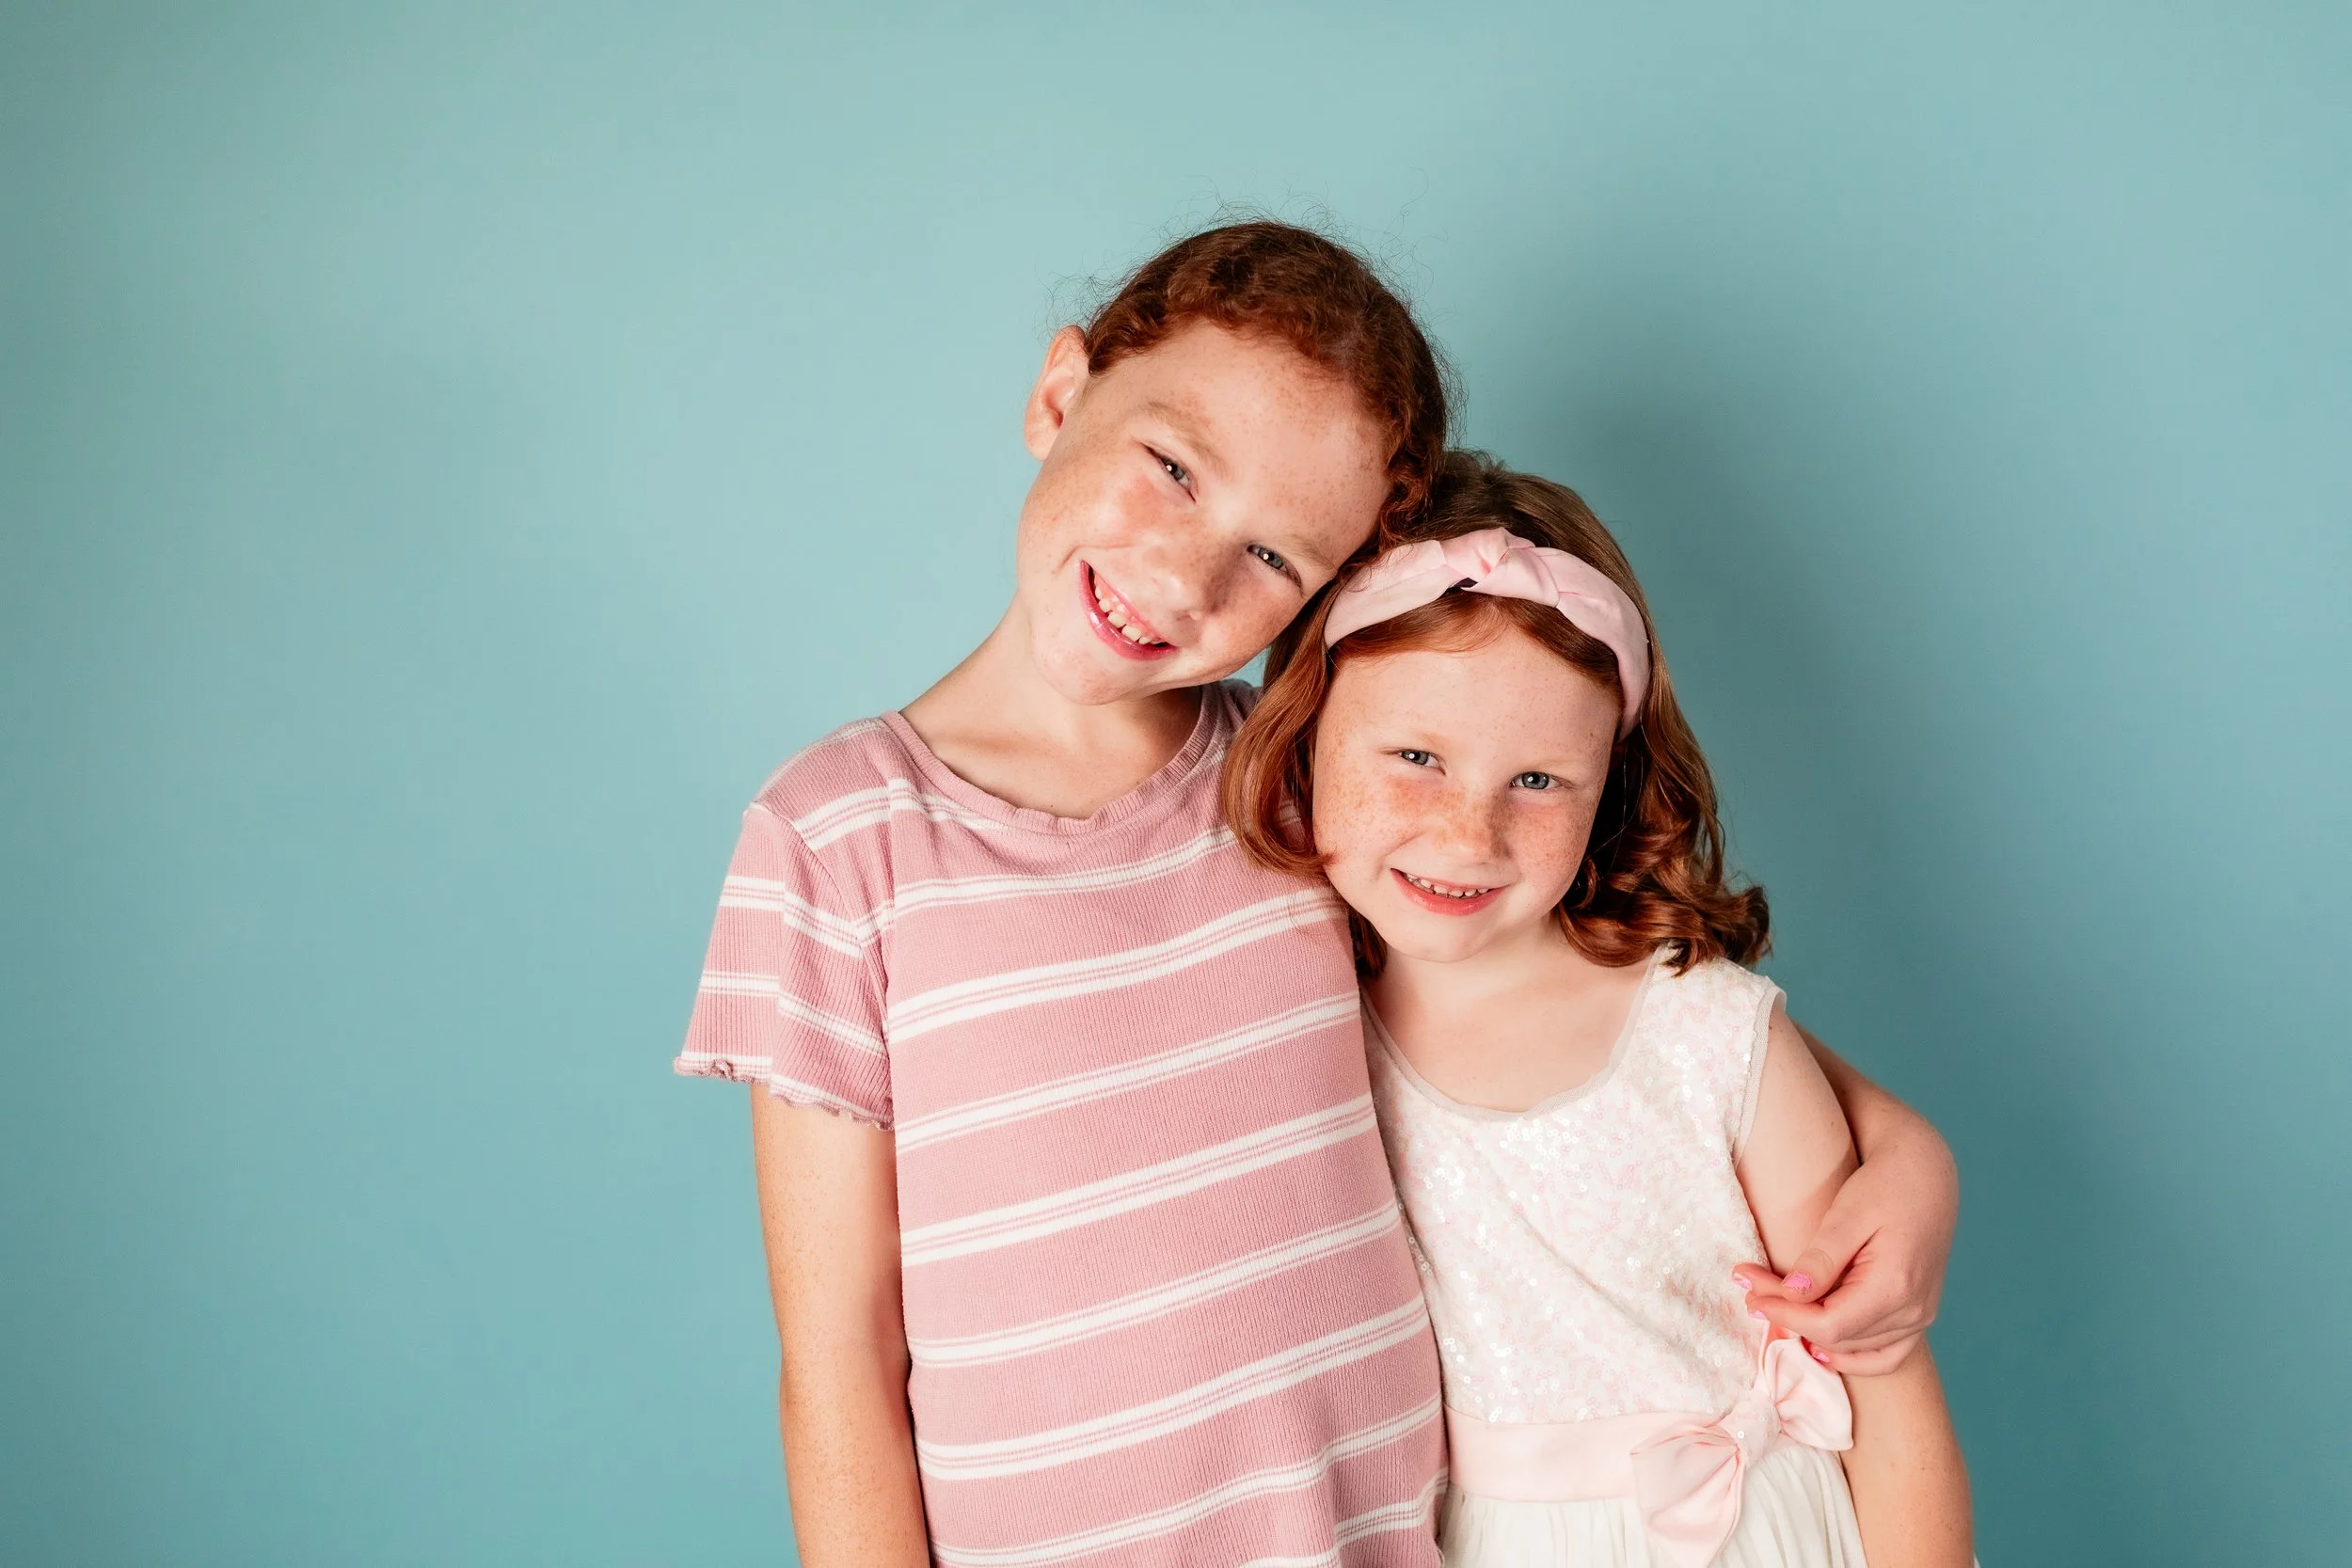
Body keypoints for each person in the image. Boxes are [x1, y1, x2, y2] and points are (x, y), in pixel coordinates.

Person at [675, 224, 1960, 1567]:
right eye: (1171, 468)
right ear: (1062, 393)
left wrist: (1905, 1152)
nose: (1184, 573)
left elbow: (1626, 1009)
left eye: (1275, 558)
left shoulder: (1305, 788)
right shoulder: (839, 836)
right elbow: (835, 1362)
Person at [1223, 451, 1975, 1567]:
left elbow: (1884, 1377)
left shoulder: (1706, 1030)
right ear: (1308, 732)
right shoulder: (1293, 1007)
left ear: (1608, 784)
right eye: (1416, 755)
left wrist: (1916, 1158)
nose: (1466, 832)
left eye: (1536, 780)